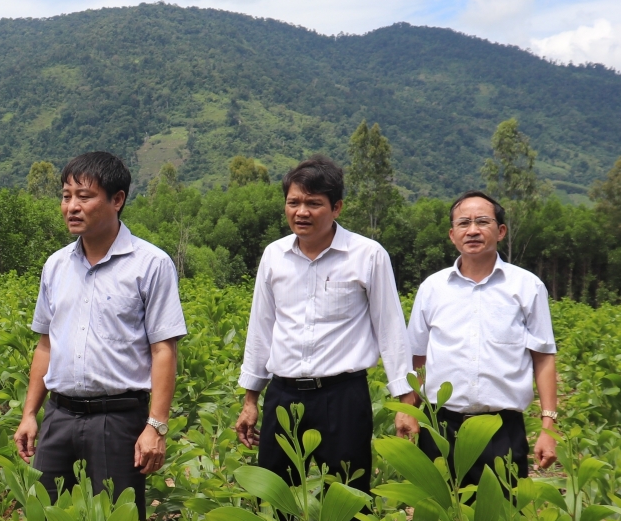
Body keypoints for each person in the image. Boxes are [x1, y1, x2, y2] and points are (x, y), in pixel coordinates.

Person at [13, 152, 187, 518]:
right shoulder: (56, 265)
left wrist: (156, 426)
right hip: (59, 414)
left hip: (119, 417)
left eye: (84, 196)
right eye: (66, 196)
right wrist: (30, 413)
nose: (72, 207)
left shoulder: (151, 264)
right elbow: (45, 344)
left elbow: (164, 351)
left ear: (117, 200)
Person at [235, 155, 413, 494]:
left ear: (337, 208)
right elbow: (261, 328)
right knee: (275, 497)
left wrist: (404, 402)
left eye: (314, 203)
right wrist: (250, 400)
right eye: (294, 202)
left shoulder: (367, 255)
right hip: (283, 394)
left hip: (343, 396)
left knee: (349, 497)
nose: (302, 212)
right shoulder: (274, 256)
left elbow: (390, 330)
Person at [397, 191, 557, 484]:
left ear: (501, 231)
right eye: (463, 223)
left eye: (483, 222)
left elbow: (543, 356)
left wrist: (548, 426)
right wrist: (408, 409)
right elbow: (416, 357)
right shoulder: (432, 288)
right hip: (441, 426)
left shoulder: (526, 286)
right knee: (440, 519)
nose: (472, 230)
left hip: (502, 430)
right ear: (452, 234)